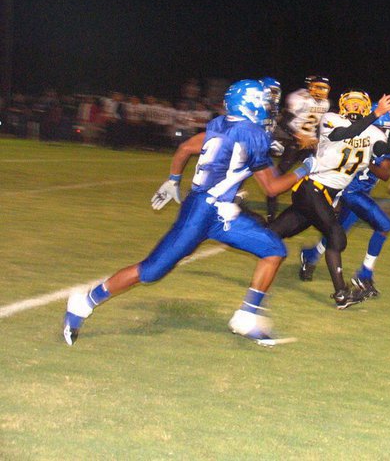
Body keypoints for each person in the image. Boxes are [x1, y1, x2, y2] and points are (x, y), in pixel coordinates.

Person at [63, 79, 314, 347]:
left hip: (218, 211)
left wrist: (173, 179)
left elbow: (186, 148)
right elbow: (273, 187)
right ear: (250, 104)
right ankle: (84, 301)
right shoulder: (251, 134)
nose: (268, 108)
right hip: (202, 213)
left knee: (273, 250)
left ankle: (247, 317)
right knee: (150, 272)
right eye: (264, 102)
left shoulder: (220, 123)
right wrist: (306, 167)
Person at [269, 90, 390, 309]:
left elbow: (385, 150)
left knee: (274, 232)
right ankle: (341, 294)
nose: (356, 107)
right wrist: (376, 114)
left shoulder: (372, 131)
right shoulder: (331, 119)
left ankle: (238, 220)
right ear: (342, 106)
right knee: (336, 236)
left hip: (324, 194)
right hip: (312, 188)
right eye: (352, 103)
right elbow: (344, 135)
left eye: (360, 104)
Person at [298, 105, 390, 297]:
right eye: (383, 128)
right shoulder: (358, 135)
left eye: (387, 129)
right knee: (384, 226)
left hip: (359, 189)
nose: (383, 133)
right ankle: (364, 275)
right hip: (350, 190)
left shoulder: (385, 139)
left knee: (338, 231)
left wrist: (371, 156)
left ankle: (311, 255)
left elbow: (385, 171)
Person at [267, 75, 331, 222]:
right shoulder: (299, 98)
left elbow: (319, 126)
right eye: (318, 87)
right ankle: (271, 218)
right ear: (310, 86)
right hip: (294, 143)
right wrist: (298, 136)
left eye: (324, 88)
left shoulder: (325, 103)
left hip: (310, 144)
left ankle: (322, 211)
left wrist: (317, 140)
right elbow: (283, 122)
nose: (321, 91)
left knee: (322, 174)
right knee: (276, 178)